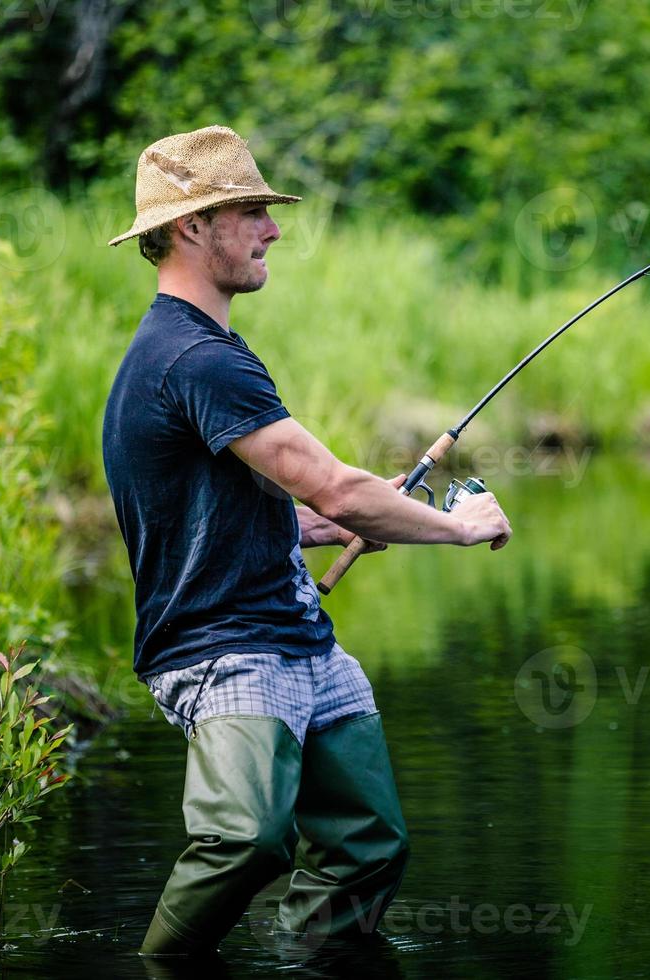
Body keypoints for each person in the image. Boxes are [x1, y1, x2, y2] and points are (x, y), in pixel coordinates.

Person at [102, 125, 511, 957]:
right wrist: (456, 528)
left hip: (302, 645)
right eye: (252, 212)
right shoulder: (193, 358)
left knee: (369, 848)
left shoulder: (210, 352)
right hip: (223, 651)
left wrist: (329, 524)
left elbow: (245, 508)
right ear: (190, 226)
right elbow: (331, 482)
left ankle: (315, 963)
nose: (273, 229)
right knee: (244, 841)